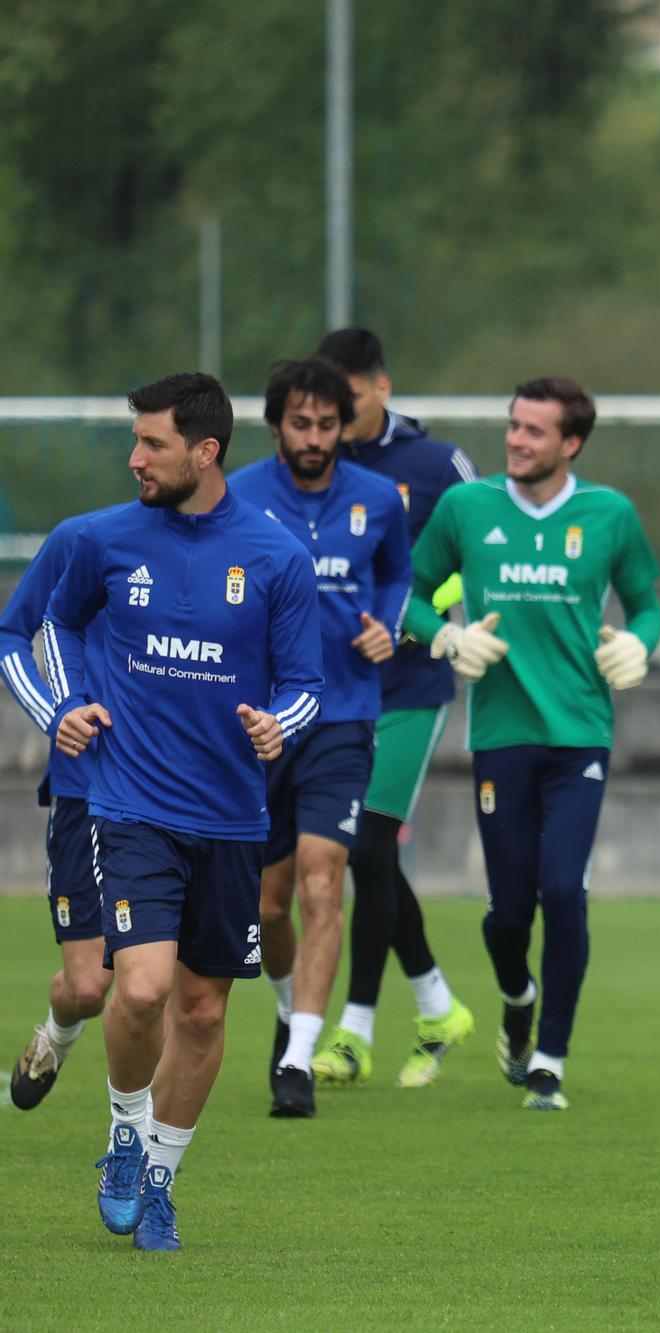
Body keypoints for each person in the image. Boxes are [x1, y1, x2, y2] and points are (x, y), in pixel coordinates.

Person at [44, 372, 322, 1250]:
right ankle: (125, 1129)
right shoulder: (100, 539)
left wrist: (279, 724)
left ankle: (159, 1179)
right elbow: (42, 627)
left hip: (234, 820)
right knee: (144, 987)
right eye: (135, 440)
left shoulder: (277, 556)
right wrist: (64, 705)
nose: (135, 457)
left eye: (152, 443)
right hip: (131, 805)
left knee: (202, 1012)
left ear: (204, 451)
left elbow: (306, 685)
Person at [401, 376, 660, 1112]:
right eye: (514, 426)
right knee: (509, 912)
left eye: (534, 431)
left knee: (562, 891)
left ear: (571, 443)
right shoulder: (466, 507)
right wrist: (445, 634)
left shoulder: (609, 514)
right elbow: (411, 593)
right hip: (500, 735)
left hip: (581, 730)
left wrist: (639, 647)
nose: (517, 439)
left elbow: (646, 605)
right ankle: (516, 997)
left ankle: (549, 1056)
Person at [233, 358, 412, 1118]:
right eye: (300, 424)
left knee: (321, 876)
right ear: (276, 424)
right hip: (260, 721)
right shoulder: (237, 495)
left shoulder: (378, 499)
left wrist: (388, 630)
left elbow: (399, 576)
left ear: (346, 426)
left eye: (328, 425)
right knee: (269, 905)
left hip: (342, 714)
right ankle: (286, 1007)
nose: (314, 438)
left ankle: (300, 1060)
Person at [311, 327, 478, 1089]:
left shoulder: (438, 465)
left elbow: (483, 548)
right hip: (330, 686)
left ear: (380, 386)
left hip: (411, 684)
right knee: (347, 853)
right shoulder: (314, 467)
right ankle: (438, 1004)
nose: (329, 419)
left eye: (344, 400)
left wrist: (452, 625)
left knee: (367, 849)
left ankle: (354, 1030)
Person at [2, 505, 121, 1108]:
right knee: (89, 985)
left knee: (167, 982)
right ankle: (57, 1031)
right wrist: (56, 715)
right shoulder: (80, 537)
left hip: (175, 797)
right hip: (84, 790)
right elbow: (11, 634)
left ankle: (142, 1134)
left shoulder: (231, 546)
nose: (139, 458)